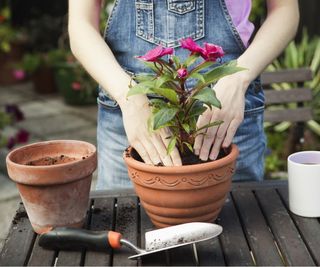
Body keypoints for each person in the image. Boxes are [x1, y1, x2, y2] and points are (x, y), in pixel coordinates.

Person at [68, 0, 299, 189]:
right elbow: (81, 23)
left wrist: (238, 78)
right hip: (131, 122)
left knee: (236, 232)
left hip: (224, 118)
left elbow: (285, 9)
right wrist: (128, 97)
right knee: (129, 227)